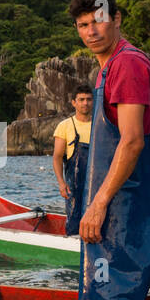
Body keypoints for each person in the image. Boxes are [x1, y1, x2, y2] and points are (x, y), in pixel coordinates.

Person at [70, 0, 150, 300]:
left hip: (122, 205)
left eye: (98, 21)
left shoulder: (127, 65)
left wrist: (98, 204)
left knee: (112, 293)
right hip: (117, 201)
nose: (91, 31)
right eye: (83, 25)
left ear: (116, 19)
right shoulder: (109, 67)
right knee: (104, 288)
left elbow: (132, 142)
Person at [51, 86, 93, 235]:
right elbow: (56, 157)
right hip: (74, 186)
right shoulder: (65, 126)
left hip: (97, 184)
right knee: (74, 223)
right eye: (81, 100)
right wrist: (61, 183)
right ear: (74, 103)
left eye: (88, 99)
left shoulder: (100, 125)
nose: (85, 103)